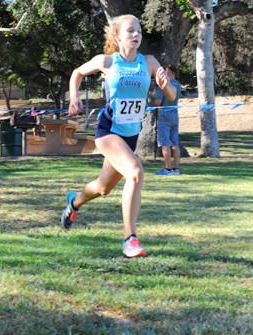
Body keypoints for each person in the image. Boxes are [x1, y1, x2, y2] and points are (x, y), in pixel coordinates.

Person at [62, 14, 177, 258]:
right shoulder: (107, 61)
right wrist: (74, 97)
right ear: (117, 36)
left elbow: (171, 96)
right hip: (109, 132)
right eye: (130, 31)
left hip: (131, 136)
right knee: (135, 172)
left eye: (139, 31)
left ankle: (74, 202)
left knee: (103, 188)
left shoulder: (148, 62)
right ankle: (130, 239)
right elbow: (77, 73)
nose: (137, 35)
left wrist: (164, 84)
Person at [154, 63, 182, 176]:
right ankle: (176, 169)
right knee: (175, 143)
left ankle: (168, 169)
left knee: (165, 143)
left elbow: (158, 102)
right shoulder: (178, 85)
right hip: (175, 116)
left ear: (168, 71)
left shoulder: (163, 84)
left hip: (164, 117)